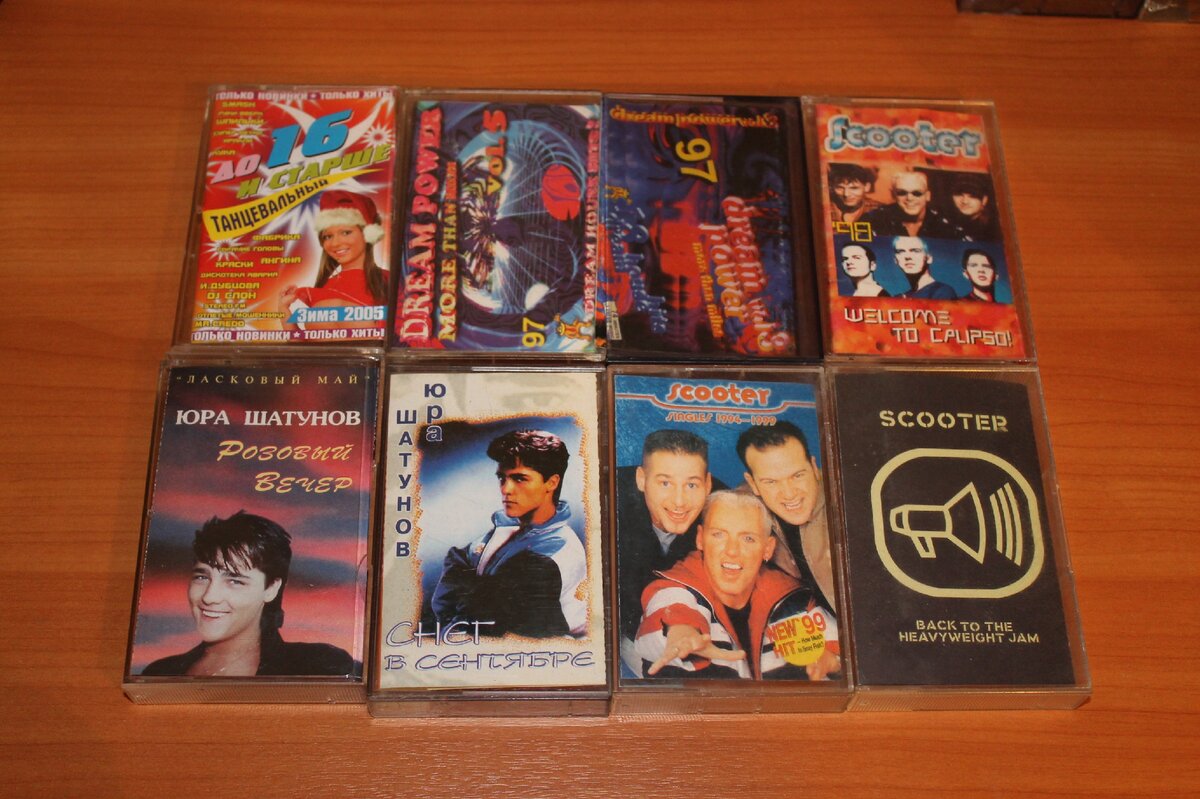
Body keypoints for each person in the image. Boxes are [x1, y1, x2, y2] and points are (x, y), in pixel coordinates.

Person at [634, 491, 840, 681]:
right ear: (700, 539)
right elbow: (671, 612)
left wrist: (833, 662)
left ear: (768, 549)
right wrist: (681, 633)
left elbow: (843, 652)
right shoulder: (671, 590)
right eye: (719, 534)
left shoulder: (794, 599)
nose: (732, 551)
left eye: (748, 538)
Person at [140, 511, 357, 677]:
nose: (209, 597)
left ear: (271, 589)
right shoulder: (160, 673)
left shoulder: (320, 666)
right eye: (202, 577)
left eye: (234, 581)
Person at [431, 429, 586, 638]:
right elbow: (455, 570)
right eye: (502, 478)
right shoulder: (506, 527)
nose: (506, 489)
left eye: (519, 478)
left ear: (552, 482)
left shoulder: (556, 552)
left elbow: (497, 626)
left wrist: (473, 593)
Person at [616, 430, 720, 647]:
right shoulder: (606, 502)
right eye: (665, 483)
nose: (679, 501)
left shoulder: (723, 511)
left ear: (708, 484)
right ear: (641, 480)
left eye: (691, 485)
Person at [736, 421, 836, 610]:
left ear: (814, 467)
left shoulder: (848, 500)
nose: (789, 494)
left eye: (797, 476)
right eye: (771, 482)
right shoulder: (742, 505)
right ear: (753, 483)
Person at [278, 189, 389, 328]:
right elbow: (302, 341)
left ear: (367, 234)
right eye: (328, 236)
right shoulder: (323, 288)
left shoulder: (389, 282)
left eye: (346, 232)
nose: (335, 243)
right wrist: (284, 311)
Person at [862, 170, 961, 239]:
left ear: (927, 196)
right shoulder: (873, 220)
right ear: (893, 195)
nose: (909, 198)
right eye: (902, 193)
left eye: (917, 193)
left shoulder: (946, 226)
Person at [892, 236, 956, 300]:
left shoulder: (943, 292)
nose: (907, 256)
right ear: (895, 260)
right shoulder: (899, 298)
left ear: (928, 258)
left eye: (915, 251)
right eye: (900, 251)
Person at [949, 173, 1000, 242]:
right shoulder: (949, 223)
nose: (965, 201)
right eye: (959, 194)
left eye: (972, 196)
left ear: (984, 200)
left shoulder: (992, 230)